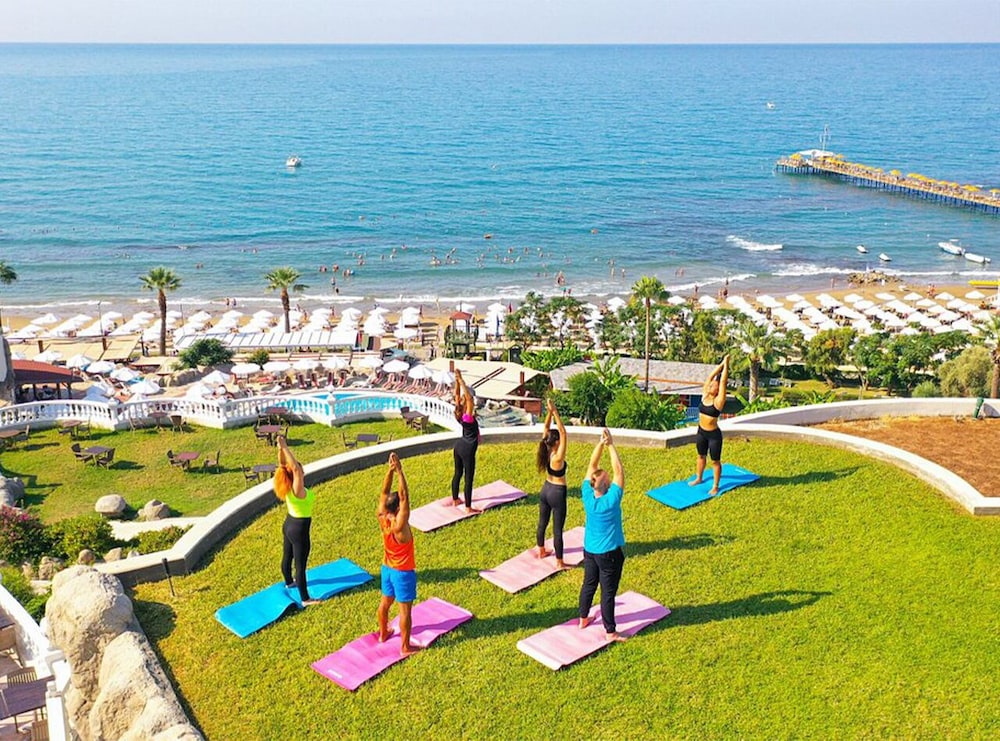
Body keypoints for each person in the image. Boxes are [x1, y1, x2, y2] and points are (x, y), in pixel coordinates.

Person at [578, 428, 627, 642]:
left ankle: (583, 618)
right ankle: (610, 632)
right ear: (607, 486)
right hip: (609, 554)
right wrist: (611, 445)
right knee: (608, 592)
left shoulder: (587, 495)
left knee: (589, 584)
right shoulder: (611, 500)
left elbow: (592, 465)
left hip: (590, 551)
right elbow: (619, 471)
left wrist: (600, 443)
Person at [377, 452, 419, 656]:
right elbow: (404, 496)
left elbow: (384, 492)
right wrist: (400, 471)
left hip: (387, 568)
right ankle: (405, 647)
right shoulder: (400, 525)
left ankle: (383, 633)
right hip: (403, 572)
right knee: (405, 611)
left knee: (385, 603)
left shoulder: (382, 516)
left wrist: (390, 471)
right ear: (398, 507)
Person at [273, 436, 320, 606]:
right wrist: (285, 446)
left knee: (287, 555)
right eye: (299, 470)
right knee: (300, 565)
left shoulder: (286, 484)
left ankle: (288, 582)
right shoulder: (297, 490)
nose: (301, 471)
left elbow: (283, 466)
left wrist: (280, 449)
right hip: (299, 529)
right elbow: (294, 468)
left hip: (289, 524)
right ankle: (306, 599)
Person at [536, 398, 568, 568]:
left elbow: (546, 429)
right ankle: (559, 562)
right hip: (557, 493)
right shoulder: (557, 457)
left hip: (545, 489)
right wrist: (555, 411)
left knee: (542, 522)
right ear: (556, 443)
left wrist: (549, 413)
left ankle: (541, 550)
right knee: (557, 529)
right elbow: (563, 432)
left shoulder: (546, 449)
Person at [691, 354, 730, 495]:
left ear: (718, 390)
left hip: (713, 436)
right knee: (701, 456)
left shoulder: (718, 401)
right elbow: (710, 376)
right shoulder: (705, 395)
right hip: (701, 432)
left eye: (714, 385)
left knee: (715, 461)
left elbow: (723, 381)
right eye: (711, 384)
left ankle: (715, 486)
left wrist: (726, 365)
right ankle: (699, 478)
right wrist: (721, 363)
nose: (710, 385)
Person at [450, 368, 481, 512]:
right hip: (468, 449)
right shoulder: (467, 417)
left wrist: (457, 381)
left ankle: (455, 499)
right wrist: (461, 380)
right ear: (465, 407)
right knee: (469, 478)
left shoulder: (459, 415)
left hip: (459, 446)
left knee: (458, 473)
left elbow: (457, 395)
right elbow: (468, 398)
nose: (471, 402)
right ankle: (468, 507)